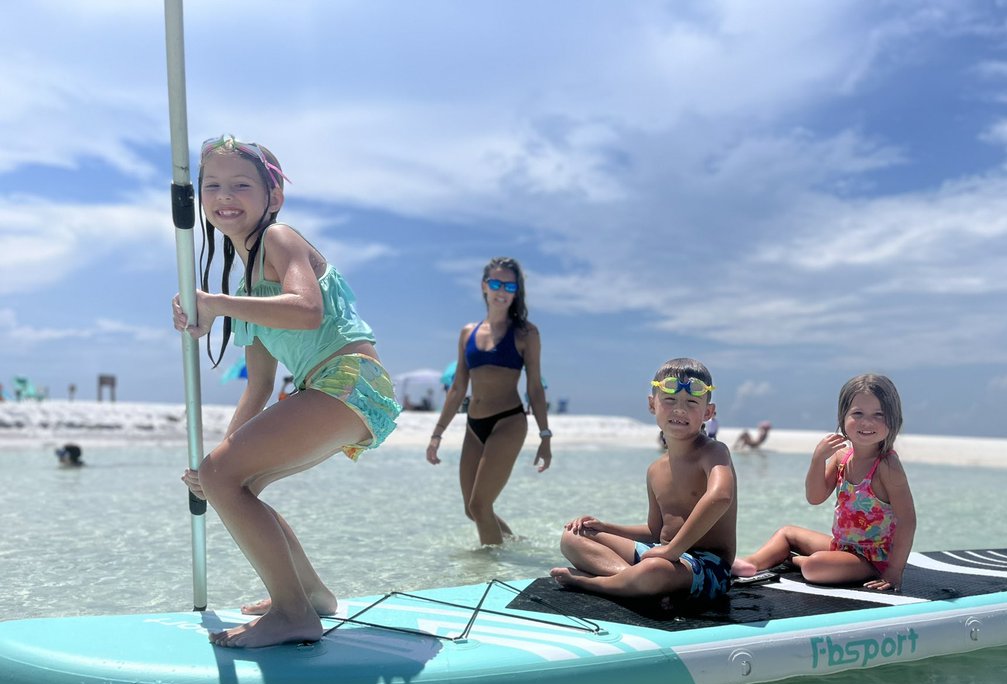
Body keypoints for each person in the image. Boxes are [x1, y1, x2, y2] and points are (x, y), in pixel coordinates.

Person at [171, 135, 401, 648]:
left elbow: (307, 308)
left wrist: (216, 303)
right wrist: (220, 460)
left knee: (226, 477)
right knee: (234, 482)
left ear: (272, 196)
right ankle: (311, 597)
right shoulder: (249, 290)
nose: (224, 194)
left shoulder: (280, 238)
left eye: (241, 184)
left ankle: (294, 614)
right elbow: (259, 385)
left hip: (349, 380)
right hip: (335, 389)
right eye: (212, 185)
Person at [551, 358, 737, 602]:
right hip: (662, 556)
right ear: (652, 404)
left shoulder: (713, 452)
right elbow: (655, 531)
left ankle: (594, 583)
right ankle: (630, 580)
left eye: (691, 403)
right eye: (669, 400)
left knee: (653, 570)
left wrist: (673, 550)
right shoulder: (655, 469)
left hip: (707, 566)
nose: (679, 409)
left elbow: (720, 496)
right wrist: (606, 527)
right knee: (572, 537)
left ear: (708, 412)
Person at [731, 373, 915, 591]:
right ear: (842, 417)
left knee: (814, 567)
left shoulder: (887, 466)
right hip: (842, 547)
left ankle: (792, 560)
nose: (867, 422)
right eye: (858, 413)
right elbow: (815, 497)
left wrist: (893, 571)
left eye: (879, 414)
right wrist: (818, 459)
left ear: (893, 420)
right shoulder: (841, 457)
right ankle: (752, 562)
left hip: (873, 558)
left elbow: (907, 520)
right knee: (787, 532)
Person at [425, 257, 551, 545]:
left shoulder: (525, 333)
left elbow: (534, 387)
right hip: (474, 425)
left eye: (509, 284)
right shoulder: (467, 332)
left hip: (508, 422)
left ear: (517, 290)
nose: (502, 290)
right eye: (496, 283)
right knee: (474, 509)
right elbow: (457, 387)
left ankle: (491, 571)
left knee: (480, 505)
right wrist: (437, 435)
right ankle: (513, 545)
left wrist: (545, 435)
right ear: (484, 286)